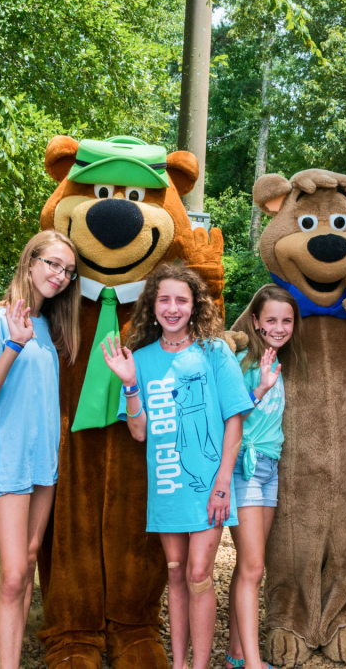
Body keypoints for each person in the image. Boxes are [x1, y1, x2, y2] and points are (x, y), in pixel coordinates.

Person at [101, 262, 254, 669]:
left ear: (194, 306)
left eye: (181, 300)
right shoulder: (142, 359)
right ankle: (180, 664)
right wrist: (130, 384)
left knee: (199, 572)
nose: (172, 308)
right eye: (164, 299)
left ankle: (199, 666)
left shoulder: (215, 350)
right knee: (175, 572)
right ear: (152, 306)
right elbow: (138, 432)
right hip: (167, 484)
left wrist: (223, 483)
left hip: (210, 485)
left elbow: (234, 421)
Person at [0, 230, 81, 669]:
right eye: (52, 264)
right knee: (14, 574)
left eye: (68, 271)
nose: (60, 275)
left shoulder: (52, 326)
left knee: (30, 562)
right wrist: (14, 345)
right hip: (9, 458)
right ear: (30, 262)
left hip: (44, 463)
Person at [224, 284, 305, 669]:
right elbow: (230, 417)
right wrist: (260, 387)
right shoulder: (241, 360)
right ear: (255, 321)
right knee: (254, 566)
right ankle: (254, 663)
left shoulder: (279, 360)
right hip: (245, 468)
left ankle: (236, 656)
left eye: (286, 320)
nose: (279, 327)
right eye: (271, 319)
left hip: (269, 468)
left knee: (248, 565)